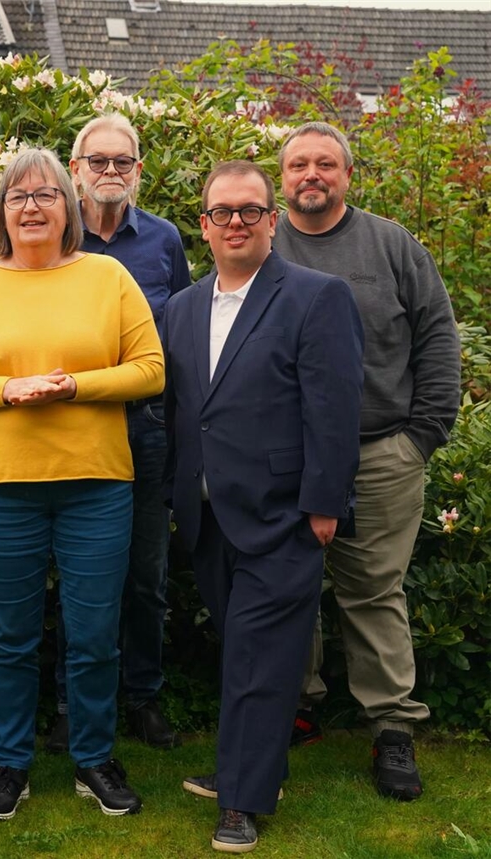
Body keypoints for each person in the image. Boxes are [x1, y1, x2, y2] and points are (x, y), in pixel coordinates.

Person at [0, 148, 164, 822]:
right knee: (11, 638)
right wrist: (8, 389)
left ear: (69, 207)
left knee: (93, 635)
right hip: (0, 490)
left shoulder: (107, 276)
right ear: (0, 212)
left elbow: (150, 369)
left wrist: (75, 384)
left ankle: (92, 758)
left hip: (96, 487)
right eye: (17, 196)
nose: (31, 206)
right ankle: (13, 763)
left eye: (46, 194)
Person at [164, 161, 363, 853]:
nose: (237, 223)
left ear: (272, 220)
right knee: (249, 653)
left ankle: (242, 803)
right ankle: (254, 767)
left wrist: (323, 504)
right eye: (223, 212)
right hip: (210, 516)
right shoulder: (182, 307)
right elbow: (184, 412)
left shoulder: (317, 297)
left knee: (258, 655)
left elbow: (335, 409)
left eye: (251, 210)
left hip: (285, 514)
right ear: (205, 225)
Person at [274, 121, 461, 800]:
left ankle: (392, 729)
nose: (312, 175)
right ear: (282, 176)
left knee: (375, 592)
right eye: (299, 165)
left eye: (326, 164)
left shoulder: (391, 244)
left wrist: (421, 437)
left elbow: (438, 335)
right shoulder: (262, 245)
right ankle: (295, 708)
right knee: (287, 584)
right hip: (287, 457)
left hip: (381, 451)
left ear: (348, 175)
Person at [46, 113, 192, 752]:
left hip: (146, 432)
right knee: (67, 574)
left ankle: (142, 697)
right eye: (97, 161)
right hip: (67, 430)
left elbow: (183, 337)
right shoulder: (51, 239)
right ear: (74, 169)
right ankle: (67, 704)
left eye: (122, 162)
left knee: (144, 574)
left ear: (138, 171)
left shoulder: (163, 241)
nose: (110, 172)